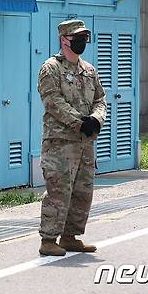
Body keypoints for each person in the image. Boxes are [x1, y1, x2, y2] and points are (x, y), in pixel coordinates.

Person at [37, 19, 106, 256]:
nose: (81, 42)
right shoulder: (50, 68)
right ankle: (48, 239)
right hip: (60, 142)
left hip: (85, 142)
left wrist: (96, 119)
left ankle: (69, 236)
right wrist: (80, 123)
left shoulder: (89, 70)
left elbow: (100, 99)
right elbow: (53, 101)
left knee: (82, 191)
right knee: (59, 190)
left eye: (84, 37)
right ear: (63, 39)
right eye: (77, 37)